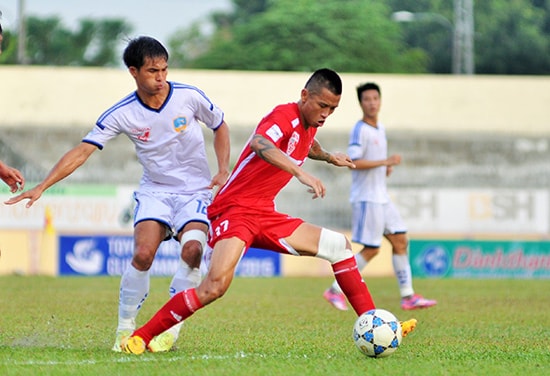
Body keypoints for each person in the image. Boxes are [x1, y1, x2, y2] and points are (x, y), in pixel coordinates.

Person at [119, 69, 417, 355]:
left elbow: (307, 143)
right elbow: (262, 143)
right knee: (215, 287)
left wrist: (328, 157)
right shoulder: (284, 115)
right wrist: (300, 173)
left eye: (333, 109)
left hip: (265, 214)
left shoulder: (310, 124)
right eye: (323, 105)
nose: (326, 113)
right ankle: (140, 336)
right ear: (304, 95)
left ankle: (376, 325)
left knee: (340, 247)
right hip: (234, 211)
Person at [4, 36, 230, 352]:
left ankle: (170, 328)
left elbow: (220, 125)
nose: (161, 78)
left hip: (195, 190)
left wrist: (222, 169)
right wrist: (43, 186)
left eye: (164, 70)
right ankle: (124, 330)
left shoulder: (188, 97)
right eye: (153, 71)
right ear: (133, 71)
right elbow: (83, 150)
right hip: (155, 192)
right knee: (142, 254)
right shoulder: (121, 113)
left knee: (192, 250)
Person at [323, 82, 436, 311]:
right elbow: (353, 162)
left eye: (375, 98)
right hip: (367, 198)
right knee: (372, 249)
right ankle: (334, 290)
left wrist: (383, 169)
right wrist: (384, 162)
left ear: (380, 100)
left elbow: (372, 162)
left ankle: (408, 296)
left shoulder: (379, 129)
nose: (372, 103)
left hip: (381, 196)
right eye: (367, 99)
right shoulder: (360, 129)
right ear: (361, 103)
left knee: (400, 240)